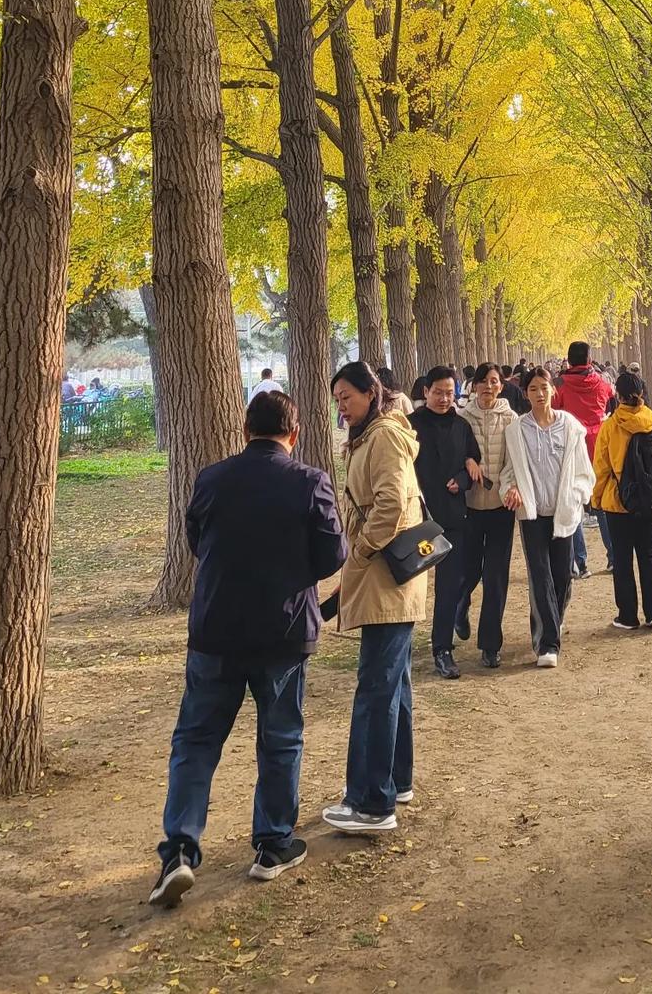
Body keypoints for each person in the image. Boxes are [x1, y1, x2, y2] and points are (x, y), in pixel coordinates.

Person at [149, 391, 346, 906]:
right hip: (282, 632)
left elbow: (197, 540)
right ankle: (273, 843)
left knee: (195, 740)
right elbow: (331, 556)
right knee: (280, 738)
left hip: (215, 628)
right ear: (294, 432)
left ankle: (180, 849)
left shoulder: (211, 478)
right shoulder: (310, 482)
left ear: (245, 429)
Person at [323, 362, 427, 834]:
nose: (341, 407)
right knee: (392, 685)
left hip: (386, 575)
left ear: (371, 392)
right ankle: (394, 781)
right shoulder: (375, 434)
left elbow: (392, 502)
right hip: (384, 574)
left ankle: (371, 801)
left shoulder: (384, 436)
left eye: (347, 397)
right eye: (337, 400)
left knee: (376, 688)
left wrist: (361, 552)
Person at [501, 366, 595, 667]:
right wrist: (511, 488)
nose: (539, 394)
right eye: (533, 389)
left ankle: (549, 622)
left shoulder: (569, 426)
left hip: (563, 513)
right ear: (525, 394)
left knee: (562, 578)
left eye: (544, 387)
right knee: (539, 577)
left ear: (552, 390)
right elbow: (508, 471)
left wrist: (578, 495)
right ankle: (548, 645)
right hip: (532, 514)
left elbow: (583, 471)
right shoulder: (516, 431)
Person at [409, 365, 481, 680]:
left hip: (451, 520)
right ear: (425, 392)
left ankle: (443, 648)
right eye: (438, 392)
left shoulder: (462, 426)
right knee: (410, 584)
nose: (443, 398)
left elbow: (474, 464)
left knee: (451, 584)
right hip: (417, 522)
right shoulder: (409, 426)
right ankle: (400, 646)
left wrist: (463, 480)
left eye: (449, 393)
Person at [592, 369, 652, 631]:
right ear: (642, 393)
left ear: (617, 395)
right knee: (648, 553)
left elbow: (601, 467)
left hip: (618, 500)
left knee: (623, 559)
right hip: (650, 499)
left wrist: (597, 498)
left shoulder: (610, 426)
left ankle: (627, 616)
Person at [454, 363, 517, 668]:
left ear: (501, 386)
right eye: (484, 381)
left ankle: (490, 644)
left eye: (495, 382)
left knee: (495, 576)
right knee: (469, 571)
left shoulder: (511, 419)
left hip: (501, 508)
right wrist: (466, 459)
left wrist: (509, 487)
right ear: (474, 385)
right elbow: (453, 452)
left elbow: (515, 460)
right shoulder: (461, 417)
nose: (489, 387)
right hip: (468, 507)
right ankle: (460, 603)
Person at [556, 341, 616, 576]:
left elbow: (554, 412)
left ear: (569, 360)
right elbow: (611, 405)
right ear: (589, 359)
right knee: (601, 503)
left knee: (573, 506)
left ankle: (579, 562)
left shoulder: (559, 384)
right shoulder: (602, 383)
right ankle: (614, 557)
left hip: (570, 446)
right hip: (599, 447)